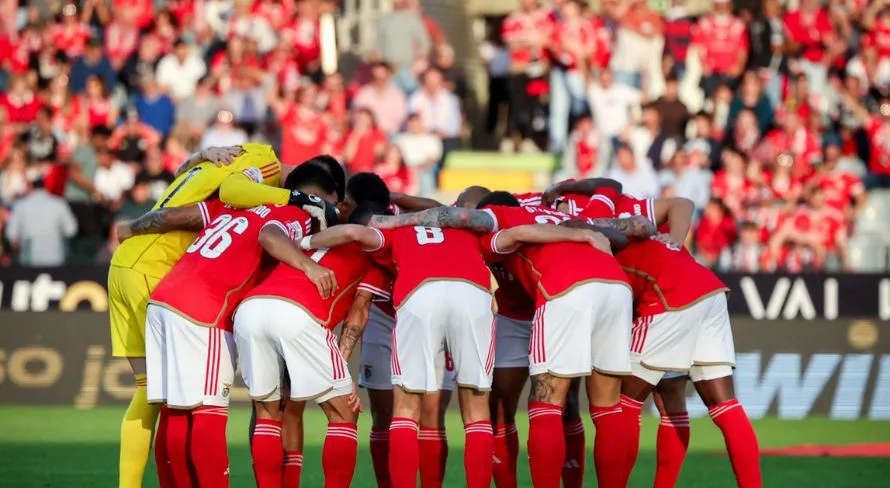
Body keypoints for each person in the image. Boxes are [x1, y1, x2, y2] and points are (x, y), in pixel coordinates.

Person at [365, 195, 656, 488]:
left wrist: (397, 220)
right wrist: (590, 230)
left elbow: (464, 219)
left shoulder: (498, 217)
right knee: (607, 405)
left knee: (546, 403)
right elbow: (641, 226)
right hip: (615, 286)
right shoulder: (561, 217)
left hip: (564, 289)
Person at [107, 145, 329, 488]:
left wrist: (132, 226)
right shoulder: (265, 166)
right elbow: (237, 193)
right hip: (169, 275)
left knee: (160, 396)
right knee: (204, 410)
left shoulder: (215, 177)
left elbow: (186, 189)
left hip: (132, 266)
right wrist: (303, 201)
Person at [234, 202, 388, 488]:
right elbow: (359, 310)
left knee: (267, 412)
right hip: (298, 314)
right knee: (344, 412)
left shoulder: (307, 241)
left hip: (250, 310)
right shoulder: (374, 254)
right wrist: (341, 365)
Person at [5, 176, 78, 266]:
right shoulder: (59, 204)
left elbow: (12, 235)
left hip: (29, 260)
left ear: (30, 186)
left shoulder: (20, 206)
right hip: (55, 258)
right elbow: (71, 230)